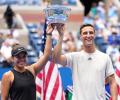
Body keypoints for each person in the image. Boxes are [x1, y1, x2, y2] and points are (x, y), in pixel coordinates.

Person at [53, 23, 118, 100]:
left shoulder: (105, 57)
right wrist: (61, 35)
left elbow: (112, 82)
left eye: (91, 32)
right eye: (85, 33)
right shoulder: (74, 57)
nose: (88, 35)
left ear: (94, 35)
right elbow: (56, 59)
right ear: (80, 37)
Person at [1, 24, 54, 100]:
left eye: (23, 56)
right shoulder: (8, 76)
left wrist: (49, 34)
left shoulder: (31, 70)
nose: (21, 59)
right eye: (18, 57)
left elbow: (46, 55)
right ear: (12, 58)